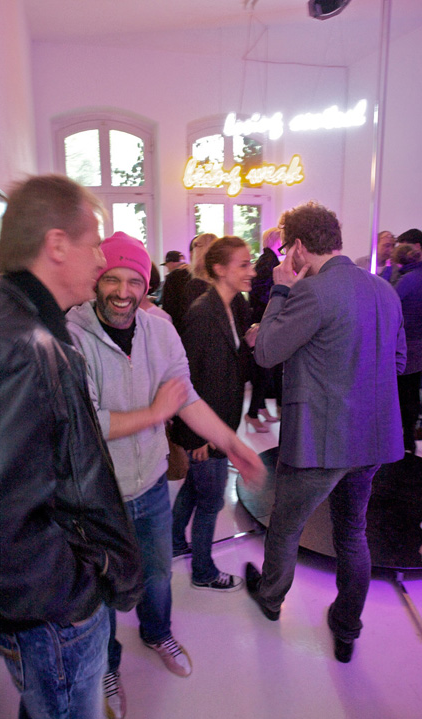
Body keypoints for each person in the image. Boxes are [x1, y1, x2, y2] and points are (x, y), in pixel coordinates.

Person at [0, 175, 142, 719]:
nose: (101, 258)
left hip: (49, 614)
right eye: (93, 243)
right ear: (56, 245)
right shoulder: (13, 345)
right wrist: (79, 595)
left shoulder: (22, 326)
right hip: (53, 620)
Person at [66, 232, 264, 719]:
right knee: (102, 588)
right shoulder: (71, 336)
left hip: (152, 482)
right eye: (112, 279)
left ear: (146, 284)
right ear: (96, 280)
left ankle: (157, 633)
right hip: (98, 494)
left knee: (157, 573)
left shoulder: (160, 332)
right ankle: (107, 664)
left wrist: (233, 444)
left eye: (134, 280)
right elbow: (85, 421)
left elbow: (187, 398)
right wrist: (156, 413)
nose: (123, 291)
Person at [245, 201, 406, 664]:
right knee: (352, 532)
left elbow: (267, 352)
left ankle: (271, 598)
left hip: (321, 439)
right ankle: (347, 627)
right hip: (372, 440)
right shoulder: (384, 290)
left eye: (285, 250)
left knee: (286, 525)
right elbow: (396, 363)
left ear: (297, 246)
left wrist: (280, 290)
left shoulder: (310, 292)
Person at [171, 236, 256, 590]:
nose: (252, 271)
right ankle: (203, 572)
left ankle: (174, 541)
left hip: (219, 422)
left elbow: (228, 367)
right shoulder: (203, 313)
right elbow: (187, 378)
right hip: (206, 429)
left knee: (195, 488)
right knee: (210, 501)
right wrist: (197, 437)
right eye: (243, 265)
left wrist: (247, 344)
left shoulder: (231, 307)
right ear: (220, 269)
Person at [245, 227, 283, 431]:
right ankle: (253, 412)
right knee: (266, 369)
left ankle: (259, 408)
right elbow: (265, 295)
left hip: (264, 320)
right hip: (265, 322)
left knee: (268, 369)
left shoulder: (267, 260)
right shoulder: (270, 263)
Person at [392, 243, 422, 452]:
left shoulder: (407, 281)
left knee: (403, 393)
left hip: (407, 344)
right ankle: (410, 436)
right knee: (413, 392)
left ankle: (403, 437)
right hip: (419, 343)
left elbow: (391, 304)